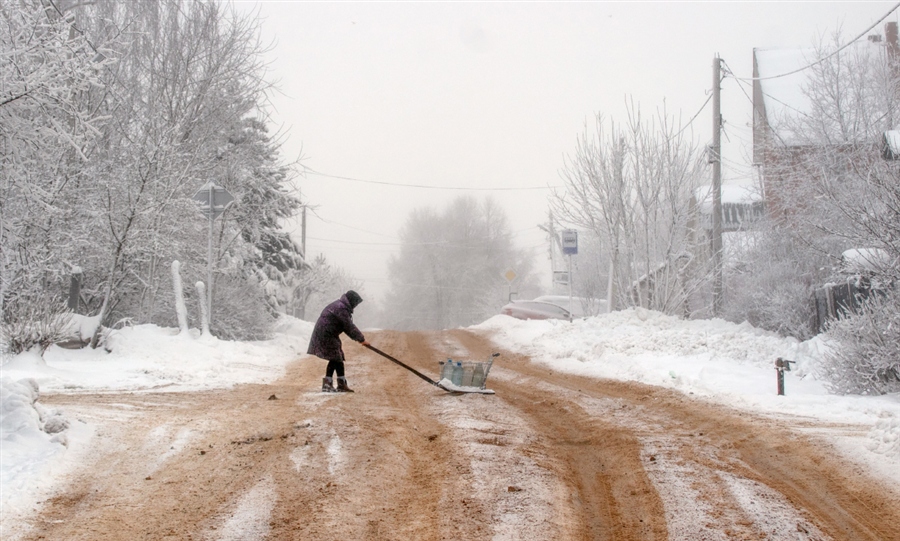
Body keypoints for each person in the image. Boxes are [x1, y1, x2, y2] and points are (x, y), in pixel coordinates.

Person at [307, 290, 369, 392]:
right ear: (352, 301)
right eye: (356, 303)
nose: (355, 306)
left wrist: (359, 339)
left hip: (327, 332)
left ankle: (337, 384)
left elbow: (347, 327)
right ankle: (333, 385)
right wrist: (361, 339)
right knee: (336, 357)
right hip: (326, 333)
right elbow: (349, 326)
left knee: (336, 357)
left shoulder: (341, 306)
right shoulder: (341, 308)